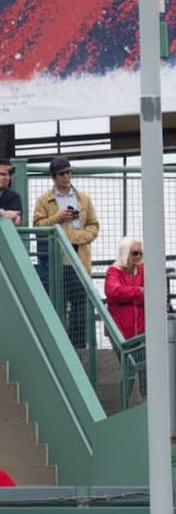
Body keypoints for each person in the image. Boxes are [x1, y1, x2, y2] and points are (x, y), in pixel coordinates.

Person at [33, 156, 100, 348]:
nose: (67, 177)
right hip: (57, 260)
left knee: (81, 305)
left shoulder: (83, 199)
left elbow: (94, 226)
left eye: (69, 172)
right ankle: (59, 345)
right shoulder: (44, 200)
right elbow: (37, 226)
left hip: (80, 259)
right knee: (58, 305)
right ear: (54, 177)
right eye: (62, 173)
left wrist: (75, 238)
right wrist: (58, 217)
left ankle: (78, 346)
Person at [105, 236, 147, 398]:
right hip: (120, 332)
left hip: (140, 332)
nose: (138, 257)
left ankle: (146, 401)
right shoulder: (113, 271)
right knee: (129, 367)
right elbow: (114, 292)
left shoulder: (142, 270)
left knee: (144, 368)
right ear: (125, 253)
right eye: (135, 253)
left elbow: (153, 292)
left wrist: (131, 294)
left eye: (140, 253)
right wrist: (138, 292)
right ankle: (125, 404)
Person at [0, 159, 22, 224]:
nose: (4, 178)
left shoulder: (14, 196)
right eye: (1, 174)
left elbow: (17, 221)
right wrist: (3, 214)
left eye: (7, 175)